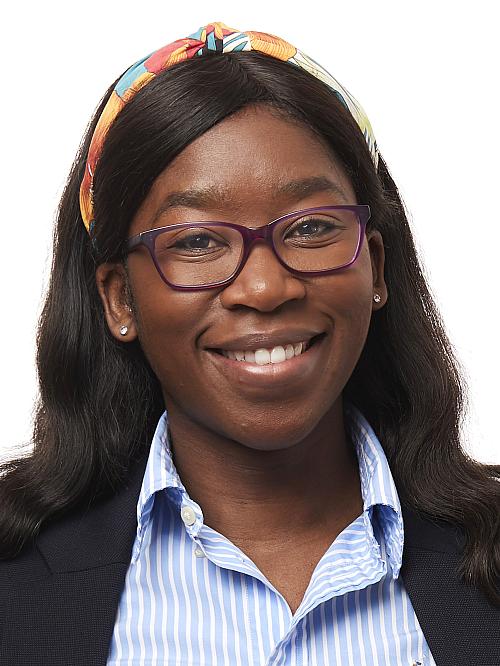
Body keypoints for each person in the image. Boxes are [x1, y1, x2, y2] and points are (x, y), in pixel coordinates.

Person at [0, 21, 498, 666]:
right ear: (120, 298)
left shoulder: (484, 567)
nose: (264, 287)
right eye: (197, 241)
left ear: (374, 265)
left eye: (312, 227)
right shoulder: (15, 588)